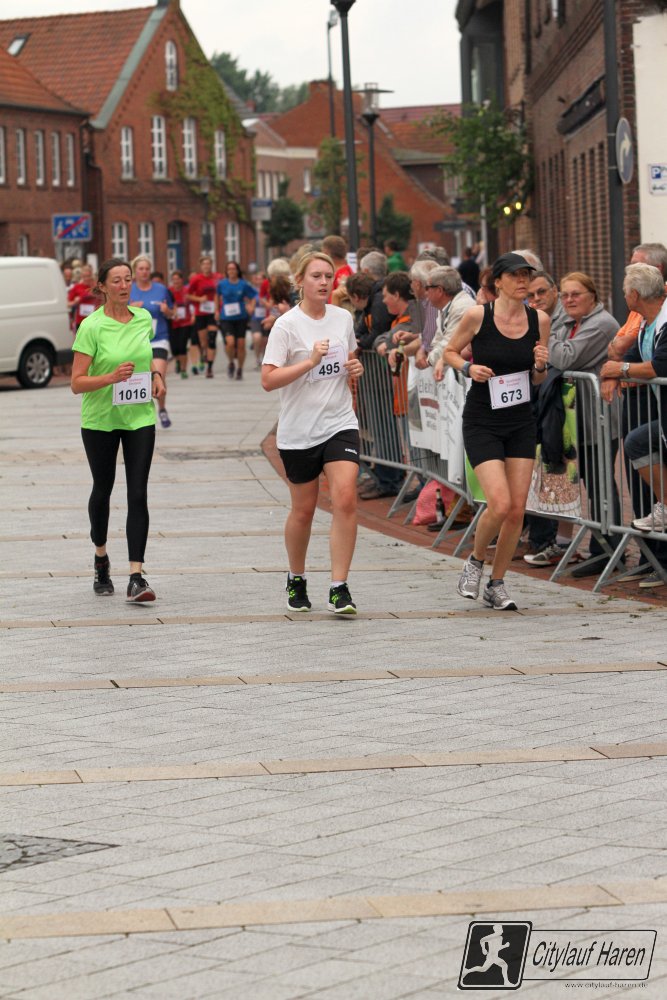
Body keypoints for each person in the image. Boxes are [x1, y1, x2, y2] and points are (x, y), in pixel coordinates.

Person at [443, 253, 550, 610]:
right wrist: (467, 369)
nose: (523, 281)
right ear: (498, 281)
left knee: (517, 510)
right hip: (482, 420)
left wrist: (540, 367)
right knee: (499, 503)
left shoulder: (540, 319)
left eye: (526, 275)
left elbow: (537, 378)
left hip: (520, 421)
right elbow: (449, 352)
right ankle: (475, 561)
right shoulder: (478, 316)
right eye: (515, 275)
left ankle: (497, 584)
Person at [261, 250, 364, 615]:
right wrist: (309, 362)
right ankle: (296, 576)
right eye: (316, 276)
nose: (324, 282)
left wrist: (354, 367)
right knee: (303, 511)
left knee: (346, 498)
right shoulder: (286, 325)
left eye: (328, 276)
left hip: (339, 423)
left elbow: (350, 358)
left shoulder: (342, 318)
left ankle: (339, 587)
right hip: (299, 431)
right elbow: (268, 380)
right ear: (300, 281)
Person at [70, 258, 165, 603]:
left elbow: (145, 356)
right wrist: (110, 378)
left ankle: (136, 577)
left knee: (138, 492)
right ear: (102, 286)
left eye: (128, 279)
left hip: (139, 416)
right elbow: (77, 383)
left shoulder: (143, 318)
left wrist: (156, 375)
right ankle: (101, 557)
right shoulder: (91, 326)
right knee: (103, 489)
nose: (124, 286)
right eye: (117, 281)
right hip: (100, 419)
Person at [600, 262, 667, 588]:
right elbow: (630, 356)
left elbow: (658, 366)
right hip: (659, 412)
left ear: (635, 295)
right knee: (638, 442)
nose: (624, 295)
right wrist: (616, 371)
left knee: (638, 442)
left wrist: (620, 370)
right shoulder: (646, 322)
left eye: (625, 291)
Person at [550, 271, 620, 578]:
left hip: (599, 418)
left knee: (601, 484)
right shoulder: (569, 323)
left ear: (592, 295)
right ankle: (601, 547)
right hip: (578, 419)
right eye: (564, 295)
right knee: (591, 484)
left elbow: (565, 358)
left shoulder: (601, 324)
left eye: (575, 294)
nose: (569, 300)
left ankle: (609, 551)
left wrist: (545, 336)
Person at [523, 271, 570, 567]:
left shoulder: (565, 319)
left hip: (564, 409)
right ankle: (544, 539)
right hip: (538, 404)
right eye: (531, 295)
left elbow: (563, 359)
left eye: (542, 292)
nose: (537, 298)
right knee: (540, 471)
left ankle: (556, 540)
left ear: (554, 291)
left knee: (560, 473)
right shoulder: (528, 319)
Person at [130, 255, 174, 428]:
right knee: (140, 379)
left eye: (147, 269)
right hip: (136, 341)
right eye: (141, 269)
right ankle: (142, 414)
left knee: (158, 375)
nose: (144, 272)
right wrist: (131, 309)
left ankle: (162, 408)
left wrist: (167, 311)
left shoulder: (161, 289)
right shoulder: (129, 290)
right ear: (135, 271)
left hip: (158, 339)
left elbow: (172, 313)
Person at [216, 261, 258, 380]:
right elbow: (216, 296)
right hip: (226, 318)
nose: (231, 271)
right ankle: (231, 362)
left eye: (233, 269)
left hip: (240, 318)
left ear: (237, 271)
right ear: (226, 271)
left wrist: (251, 306)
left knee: (240, 345)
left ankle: (240, 368)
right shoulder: (222, 284)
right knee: (230, 343)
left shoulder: (243, 284)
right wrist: (216, 310)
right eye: (229, 269)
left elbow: (253, 296)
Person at [187, 255, 220, 377]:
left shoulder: (217, 278)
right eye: (204, 264)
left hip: (212, 312)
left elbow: (219, 294)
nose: (207, 266)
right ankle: (203, 355)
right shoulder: (196, 279)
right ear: (201, 266)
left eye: (208, 264)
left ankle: (209, 368)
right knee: (203, 342)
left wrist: (217, 309)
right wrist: (199, 299)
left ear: (211, 265)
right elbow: (188, 295)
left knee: (212, 338)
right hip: (200, 313)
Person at [168, 270, 193, 379]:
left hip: (185, 322)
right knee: (174, 348)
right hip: (172, 322)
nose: (176, 281)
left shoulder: (186, 290)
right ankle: (177, 360)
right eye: (174, 279)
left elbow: (192, 304)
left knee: (182, 346)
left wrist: (193, 316)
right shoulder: (169, 291)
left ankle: (183, 369)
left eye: (177, 279)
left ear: (182, 280)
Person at [68, 263, 99, 332]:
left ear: (91, 275)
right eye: (84, 276)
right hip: (81, 321)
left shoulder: (97, 287)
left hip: (95, 320)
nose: (87, 278)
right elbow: (68, 304)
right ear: (82, 276)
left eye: (88, 276)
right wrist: (75, 302)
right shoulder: (77, 287)